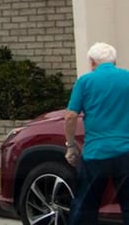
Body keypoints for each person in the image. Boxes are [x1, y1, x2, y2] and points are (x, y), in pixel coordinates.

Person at [64, 41, 129, 225]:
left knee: (85, 207)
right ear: (115, 61)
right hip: (126, 153)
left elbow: (70, 116)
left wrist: (71, 146)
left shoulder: (85, 81)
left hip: (96, 154)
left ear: (92, 62)